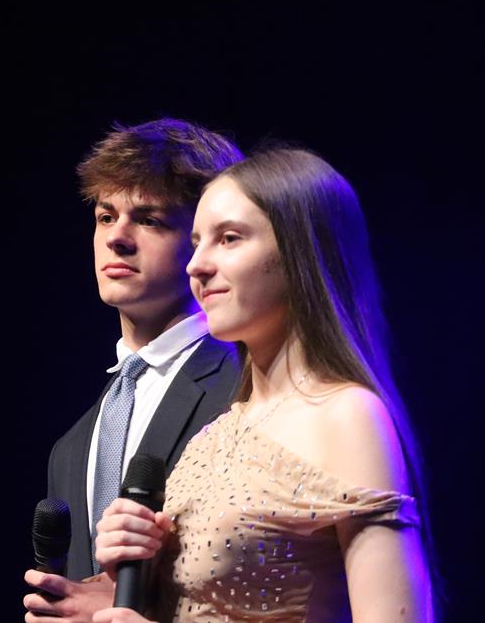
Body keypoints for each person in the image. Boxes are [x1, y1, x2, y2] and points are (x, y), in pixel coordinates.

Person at [93, 148, 435, 622]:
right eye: (197, 242)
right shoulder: (218, 433)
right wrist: (128, 587)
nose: (196, 265)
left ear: (299, 254)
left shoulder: (346, 416)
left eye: (229, 239)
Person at [23, 119, 244, 622]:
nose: (116, 238)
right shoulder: (71, 447)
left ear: (204, 241)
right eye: (105, 216)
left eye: (149, 219)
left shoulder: (247, 385)